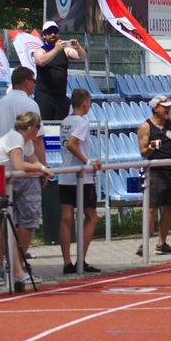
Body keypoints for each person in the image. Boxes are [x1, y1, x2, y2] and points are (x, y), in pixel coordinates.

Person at [0, 111, 56, 286]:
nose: (40, 130)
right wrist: (42, 169)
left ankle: (17, 271)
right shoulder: (16, 137)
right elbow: (19, 165)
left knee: (6, 228)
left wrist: (41, 167)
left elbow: (32, 161)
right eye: (38, 127)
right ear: (29, 128)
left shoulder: (26, 142)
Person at [0, 67, 46, 280]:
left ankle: (0, 266)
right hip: (23, 169)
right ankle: (18, 265)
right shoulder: (31, 104)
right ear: (27, 82)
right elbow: (37, 139)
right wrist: (42, 167)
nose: (34, 86)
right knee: (28, 219)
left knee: (3, 219)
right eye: (34, 82)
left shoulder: (0, 103)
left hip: (2, 170)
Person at [58, 89, 102, 274]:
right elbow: (71, 144)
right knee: (92, 217)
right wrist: (87, 162)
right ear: (85, 104)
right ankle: (80, 260)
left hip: (65, 176)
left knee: (66, 219)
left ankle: (67, 262)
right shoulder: (82, 123)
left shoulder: (65, 121)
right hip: (80, 178)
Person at [136, 95, 171, 255]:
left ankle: (161, 244)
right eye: (165, 107)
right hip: (156, 171)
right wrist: (152, 146)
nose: (168, 109)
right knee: (152, 208)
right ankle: (144, 244)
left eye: (169, 106)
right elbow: (143, 152)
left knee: (170, 206)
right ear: (156, 108)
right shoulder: (145, 127)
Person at [33, 21, 86, 121]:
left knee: (60, 126)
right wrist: (56, 49)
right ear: (44, 35)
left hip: (60, 96)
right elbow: (40, 61)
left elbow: (83, 57)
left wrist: (78, 48)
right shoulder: (40, 51)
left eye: (55, 32)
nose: (53, 34)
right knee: (43, 124)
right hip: (44, 95)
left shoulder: (65, 51)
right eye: (49, 32)